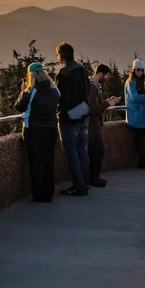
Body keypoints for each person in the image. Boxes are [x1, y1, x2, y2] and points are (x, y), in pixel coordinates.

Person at [14, 62, 61, 203]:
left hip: (33, 129)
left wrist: (22, 91)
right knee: (48, 161)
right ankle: (49, 193)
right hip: (51, 129)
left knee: (35, 162)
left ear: (31, 75)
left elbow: (19, 107)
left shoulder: (30, 91)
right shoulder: (55, 90)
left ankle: (38, 194)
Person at [54, 42, 90, 196]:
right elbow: (87, 88)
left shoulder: (63, 72)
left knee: (71, 152)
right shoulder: (81, 68)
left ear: (61, 54)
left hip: (69, 117)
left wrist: (60, 111)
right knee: (82, 149)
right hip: (83, 113)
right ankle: (85, 183)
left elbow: (60, 96)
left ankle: (79, 186)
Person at [86, 63, 121, 188]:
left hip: (94, 123)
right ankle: (93, 178)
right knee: (98, 150)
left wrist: (107, 101)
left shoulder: (94, 86)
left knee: (95, 150)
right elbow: (94, 108)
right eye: (106, 76)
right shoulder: (93, 87)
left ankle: (94, 177)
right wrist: (108, 103)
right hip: (93, 124)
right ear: (100, 74)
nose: (106, 79)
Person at [125, 59, 145, 168]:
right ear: (133, 70)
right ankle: (144, 162)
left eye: (142, 70)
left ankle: (143, 161)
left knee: (141, 139)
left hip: (141, 115)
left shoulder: (140, 81)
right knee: (139, 140)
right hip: (136, 115)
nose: (140, 72)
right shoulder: (131, 82)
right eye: (138, 70)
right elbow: (133, 97)